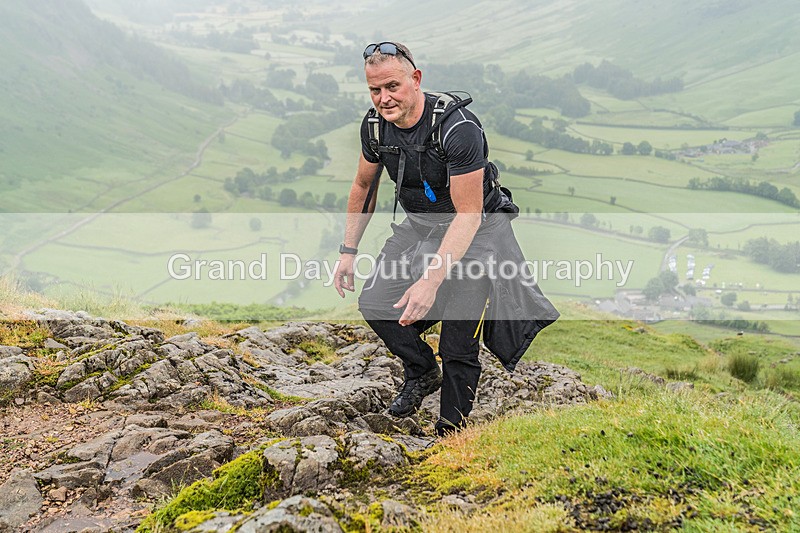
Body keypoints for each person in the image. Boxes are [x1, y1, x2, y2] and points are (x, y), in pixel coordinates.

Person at [333, 42, 558, 437]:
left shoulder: (458, 129)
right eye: (374, 90)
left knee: (458, 339)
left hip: (478, 232)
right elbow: (363, 186)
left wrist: (429, 280)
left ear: (415, 79)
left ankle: (450, 432)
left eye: (392, 86)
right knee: (375, 302)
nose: (384, 98)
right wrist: (348, 251)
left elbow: (469, 215)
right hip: (421, 226)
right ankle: (422, 372)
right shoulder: (374, 127)